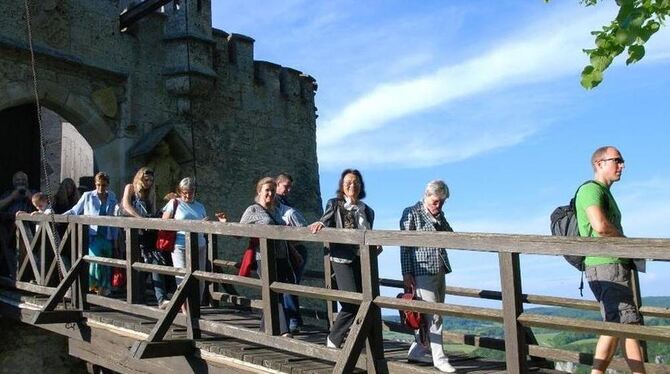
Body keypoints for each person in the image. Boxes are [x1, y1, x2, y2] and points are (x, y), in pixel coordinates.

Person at [575, 146, 645, 374]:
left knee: (616, 324)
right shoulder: (590, 190)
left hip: (610, 265)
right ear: (599, 163)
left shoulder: (604, 192)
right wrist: (624, 240)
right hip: (605, 265)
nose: (622, 165)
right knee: (627, 323)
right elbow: (600, 226)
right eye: (617, 160)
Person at [309, 169, 376, 348]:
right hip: (342, 259)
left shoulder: (368, 211)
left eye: (355, 182)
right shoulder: (335, 204)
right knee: (351, 302)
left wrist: (375, 245)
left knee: (366, 302)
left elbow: (368, 234)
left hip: (362, 260)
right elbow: (327, 219)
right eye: (348, 182)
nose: (352, 185)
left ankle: (356, 341)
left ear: (360, 186)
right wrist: (321, 223)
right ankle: (334, 339)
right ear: (342, 186)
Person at [400, 180, 455, 373]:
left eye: (442, 202)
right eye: (435, 201)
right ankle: (439, 359)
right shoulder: (411, 212)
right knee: (435, 316)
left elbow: (451, 235)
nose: (438, 205)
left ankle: (417, 350)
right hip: (421, 271)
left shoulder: (439, 215)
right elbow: (405, 246)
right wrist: (406, 273)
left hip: (440, 269)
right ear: (426, 195)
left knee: (430, 316)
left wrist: (438, 218)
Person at [240, 177, 294, 338]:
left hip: (281, 256)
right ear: (259, 192)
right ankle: (284, 330)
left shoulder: (276, 210)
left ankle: (263, 331)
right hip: (263, 256)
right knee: (272, 290)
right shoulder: (253, 210)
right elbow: (239, 231)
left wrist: (293, 252)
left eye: (272, 190)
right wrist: (224, 222)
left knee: (277, 291)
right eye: (267, 190)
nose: (270, 193)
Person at [63, 172, 118, 296]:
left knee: (106, 263)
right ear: (95, 184)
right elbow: (75, 210)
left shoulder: (112, 196)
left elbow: (115, 217)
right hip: (93, 235)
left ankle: (104, 288)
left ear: (107, 184)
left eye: (103, 185)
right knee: (95, 261)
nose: (100, 188)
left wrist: (115, 240)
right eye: (98, 185)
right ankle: (93, 287)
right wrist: (58, 217)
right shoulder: (88, 196)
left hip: (107, 234)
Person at [121, 167, 169, 308]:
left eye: (151, 180)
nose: (148, 183)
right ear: (140, 178)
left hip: (146, 231)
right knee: (138, 263)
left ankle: (161, 298)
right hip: (132, 232)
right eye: (146, 179)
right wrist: (140, 219)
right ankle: (139, 296)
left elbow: (152, 211)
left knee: (155, 260)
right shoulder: (130, 188)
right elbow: (126, 205)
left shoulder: (150, 193)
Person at [161, 177, 209, 306]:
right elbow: (163, 222)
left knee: (200, 278)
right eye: (185, 192)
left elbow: (206, 224)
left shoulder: (200, 206)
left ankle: (195, 307)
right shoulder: (174, 203)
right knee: (182, 277)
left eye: (191, 192)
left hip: (199, 245)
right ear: (180, 191)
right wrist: (187, 224)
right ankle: (185, 309)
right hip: (180, 244)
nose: (188, 195)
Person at [275, 173, 308, 334]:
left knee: (289, 284)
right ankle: (292, 321)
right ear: (277, 184)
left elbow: (303, 231)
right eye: (285, 186)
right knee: (287, 284)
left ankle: (293, 322)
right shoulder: (281, 208)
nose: (288, 190)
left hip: (294, 249)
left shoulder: (288, 210)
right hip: (284, 249)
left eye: (289, 187)